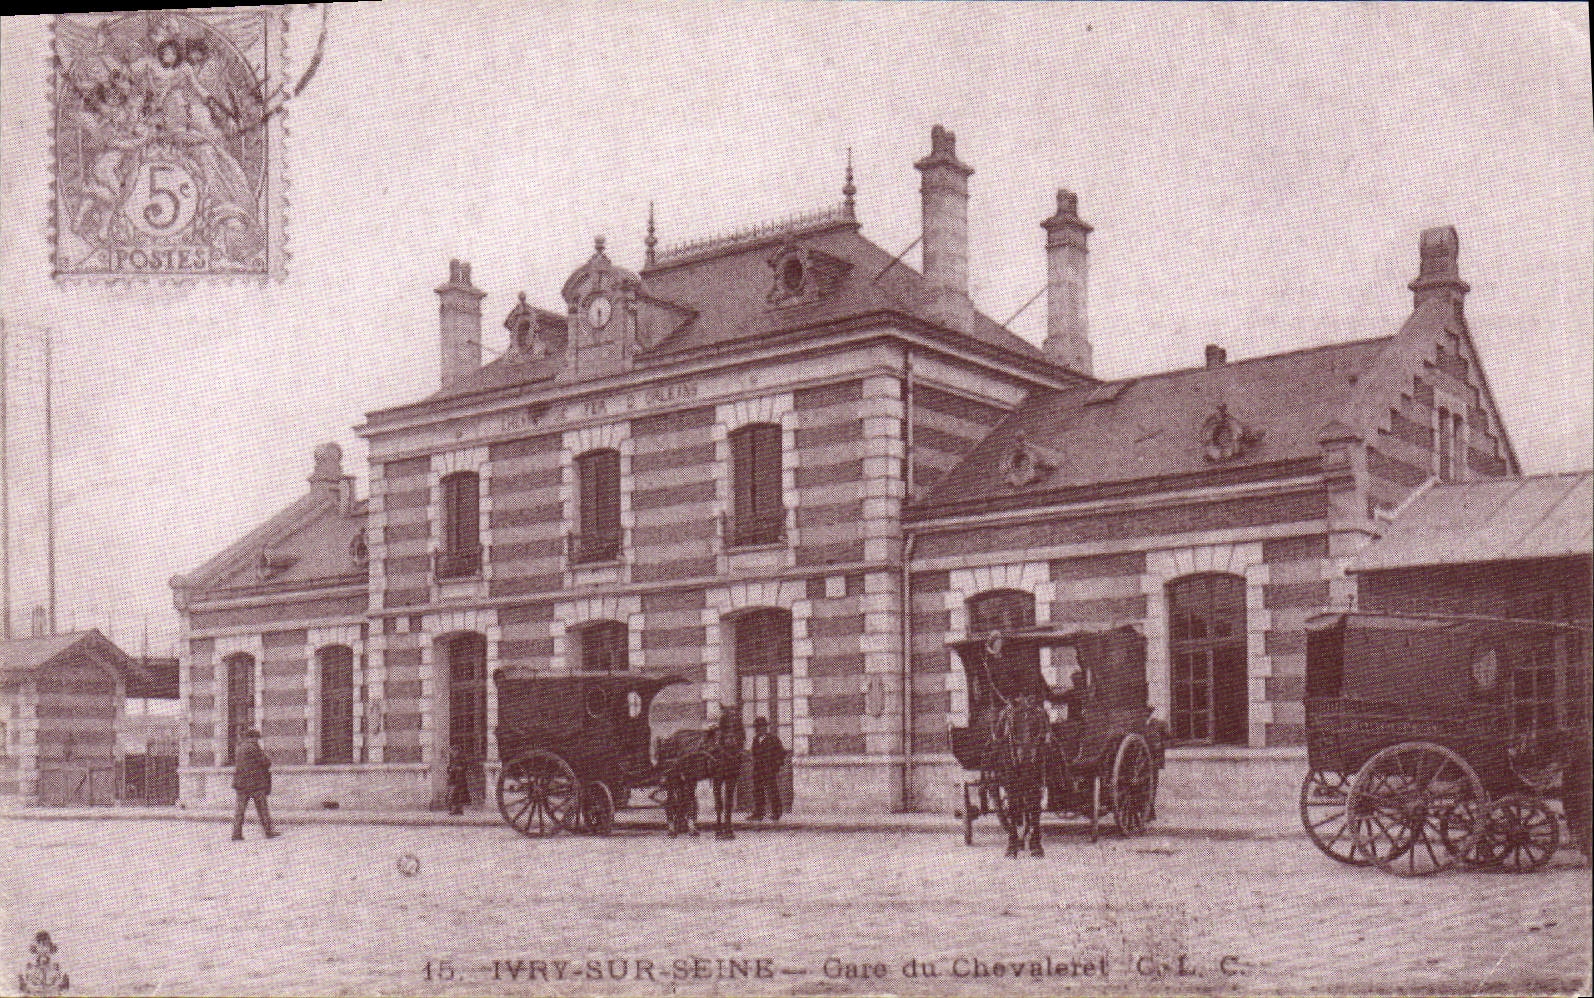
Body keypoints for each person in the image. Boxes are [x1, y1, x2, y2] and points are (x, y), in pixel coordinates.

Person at [231, 728, 278, 840]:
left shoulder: (239, 747)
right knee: (262, 809)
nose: (257, 741)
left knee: (240, 810)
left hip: (241, 784)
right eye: (257, 738)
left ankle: (236, 833)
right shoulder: (253, 747)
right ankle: (268, 831)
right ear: (253, 738)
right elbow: (266, 762)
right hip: (255, 784)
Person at [748, 717, 788, 822]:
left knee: (772, 791)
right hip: (758, 770)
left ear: (766, 727)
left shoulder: (773, 739)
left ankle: (776, 812)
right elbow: (754, 754)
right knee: (757, 791)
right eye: (757, 727)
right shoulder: (755, 740)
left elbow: (781, 753)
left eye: (761, 727)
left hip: (769, 770)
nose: (759, 729)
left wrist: (776, 767)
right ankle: (758, 813)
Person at [445, 746, 472, 816]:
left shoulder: (461, 759)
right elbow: (449, 768)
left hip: (460, 779)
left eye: (454, 751)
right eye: (452, 751)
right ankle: (456, 810)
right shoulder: (453, 759)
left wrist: (457, 769)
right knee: (454, 795)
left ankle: (458, 810)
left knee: (458, 795)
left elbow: (465, 767)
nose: (453, 753)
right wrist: (450, 769)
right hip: (453, 779)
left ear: (457, 751)